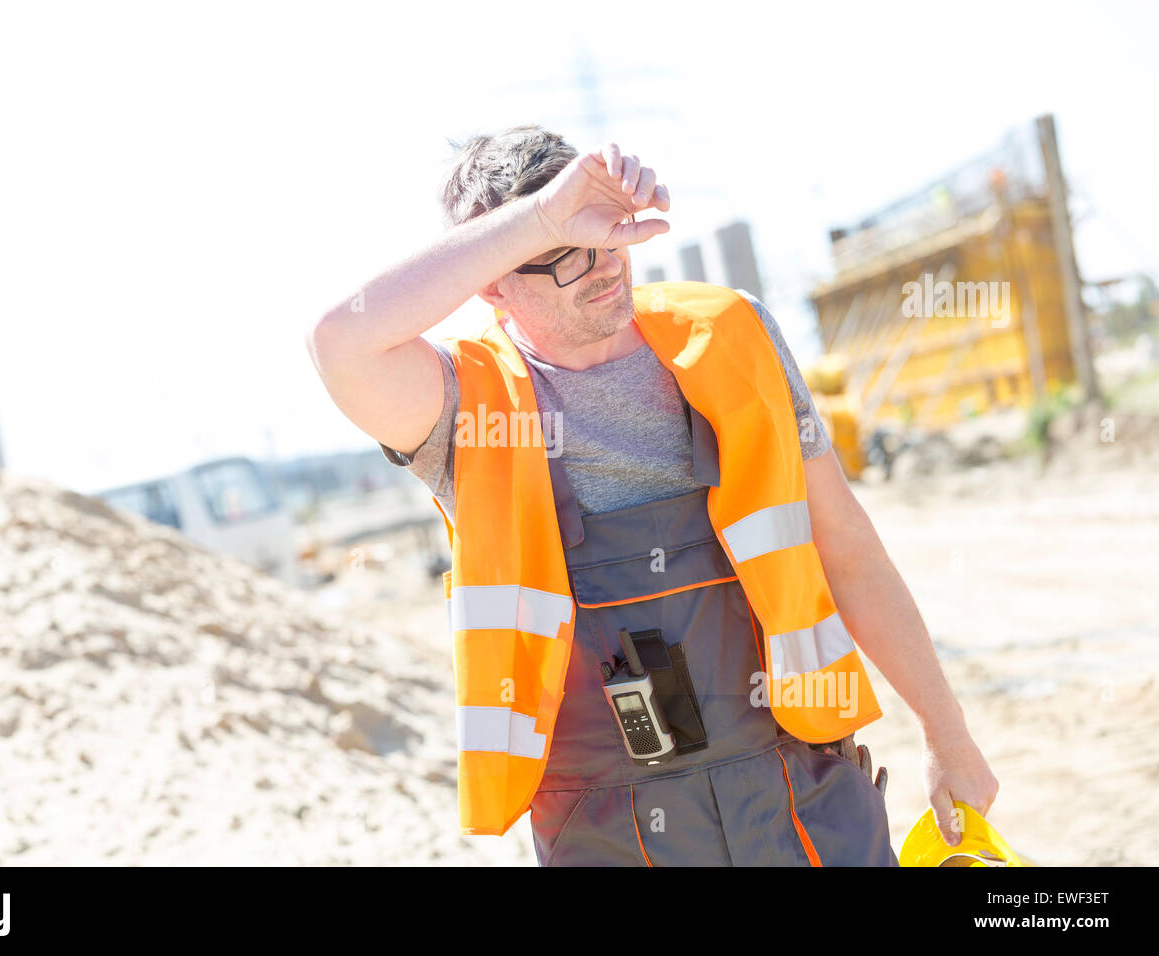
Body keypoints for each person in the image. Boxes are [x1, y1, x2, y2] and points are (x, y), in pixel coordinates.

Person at [306, 125, 998, 866]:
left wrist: (946, 732)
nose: (602, 263)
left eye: (605, 230)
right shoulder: (465, 407)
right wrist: (542, 217)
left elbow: (847, 549)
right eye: (563, 251)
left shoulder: (732, 337)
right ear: (494, 278)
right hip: (609, 834)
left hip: (802, 800)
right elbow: (339, 344)